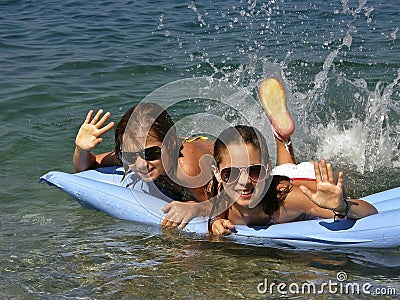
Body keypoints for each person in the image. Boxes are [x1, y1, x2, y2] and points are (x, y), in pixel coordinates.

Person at [207, 125, 378, 235]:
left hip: (309, 179)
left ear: (267, 168)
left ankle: (282, 137)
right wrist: (214, 222)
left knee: (348, 181)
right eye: (231, 173)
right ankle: (281, 136)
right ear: (217, 173)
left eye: (255, 170)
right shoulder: (219, 192)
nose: (244, 181)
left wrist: (341, 206)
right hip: (275, 178)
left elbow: (371, 212)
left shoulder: (288, 201)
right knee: (285, 168)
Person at [73, 103, 215, 228]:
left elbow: (225, 204)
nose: (141, 164)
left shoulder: (187, 169)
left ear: (170, 144)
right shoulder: (136, 156)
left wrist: (198, 208)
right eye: (130, 155)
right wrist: (81, 149)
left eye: (151, 153)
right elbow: (86, 166)